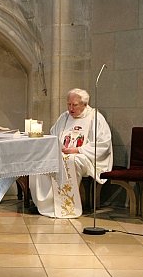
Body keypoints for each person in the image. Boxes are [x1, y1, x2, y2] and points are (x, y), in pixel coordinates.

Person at [29, 88, 113, 218]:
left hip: (85, 156)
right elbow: (53, 135)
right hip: (63, 153)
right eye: (68, 104)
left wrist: (77, 150)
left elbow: (103, 143)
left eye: (75, 105)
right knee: (41, 161)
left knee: (69, 160)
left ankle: (65, 205)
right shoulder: (64, 117)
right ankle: (44, 204)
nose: (71, 108)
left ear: (85, 104)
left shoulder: (95, 118)